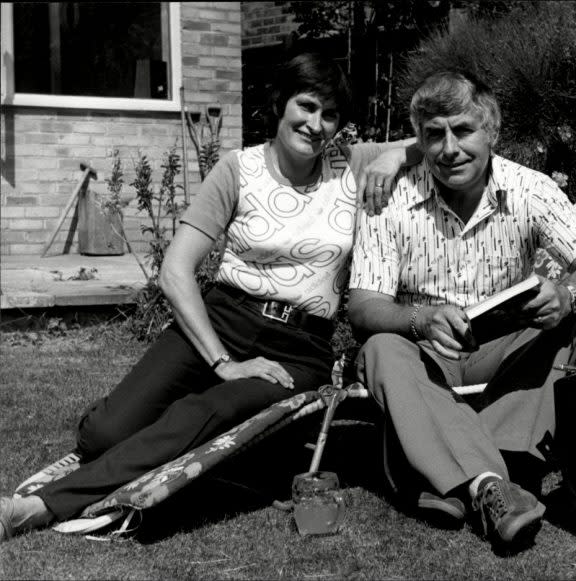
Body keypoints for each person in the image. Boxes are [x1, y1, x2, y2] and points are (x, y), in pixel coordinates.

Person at [0, 53, 416, 541]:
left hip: (297, 349)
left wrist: (394, 155)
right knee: (105, 434)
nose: (316, 124)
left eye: (331, 115)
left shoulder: (351, 165)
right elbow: (175, 270)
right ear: (280, 104)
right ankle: (129, 425)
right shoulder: (237, 170)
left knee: (202, 413)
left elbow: (437, 136)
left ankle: (36, 506)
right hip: (221, 318)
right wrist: (222, 361)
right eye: (307, 106)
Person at [348, 71, 576, 550]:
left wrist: (566, 294)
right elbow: (364, 306)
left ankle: (450, 480)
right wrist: (420, 320)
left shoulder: (529, 190)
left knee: (574, 319)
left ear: (491, 132)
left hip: (501, 347)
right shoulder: (390, 198)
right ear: (419, 141)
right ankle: (496, 482)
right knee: (379, 348)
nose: (449, 149)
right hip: (425, 353)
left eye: (463, 131)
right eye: (433, 135)